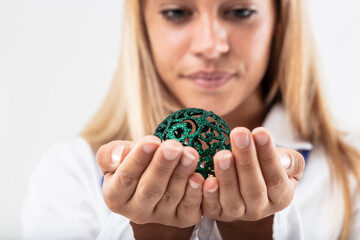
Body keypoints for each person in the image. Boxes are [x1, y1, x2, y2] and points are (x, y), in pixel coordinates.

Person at [21, 0, 360, 239]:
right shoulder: (70, 175)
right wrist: (147, 235)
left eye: (240, 11)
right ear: (143, 26)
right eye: (176, 12)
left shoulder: (350, 178)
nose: (210, 46)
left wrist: (258, 233)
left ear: (279, 23)